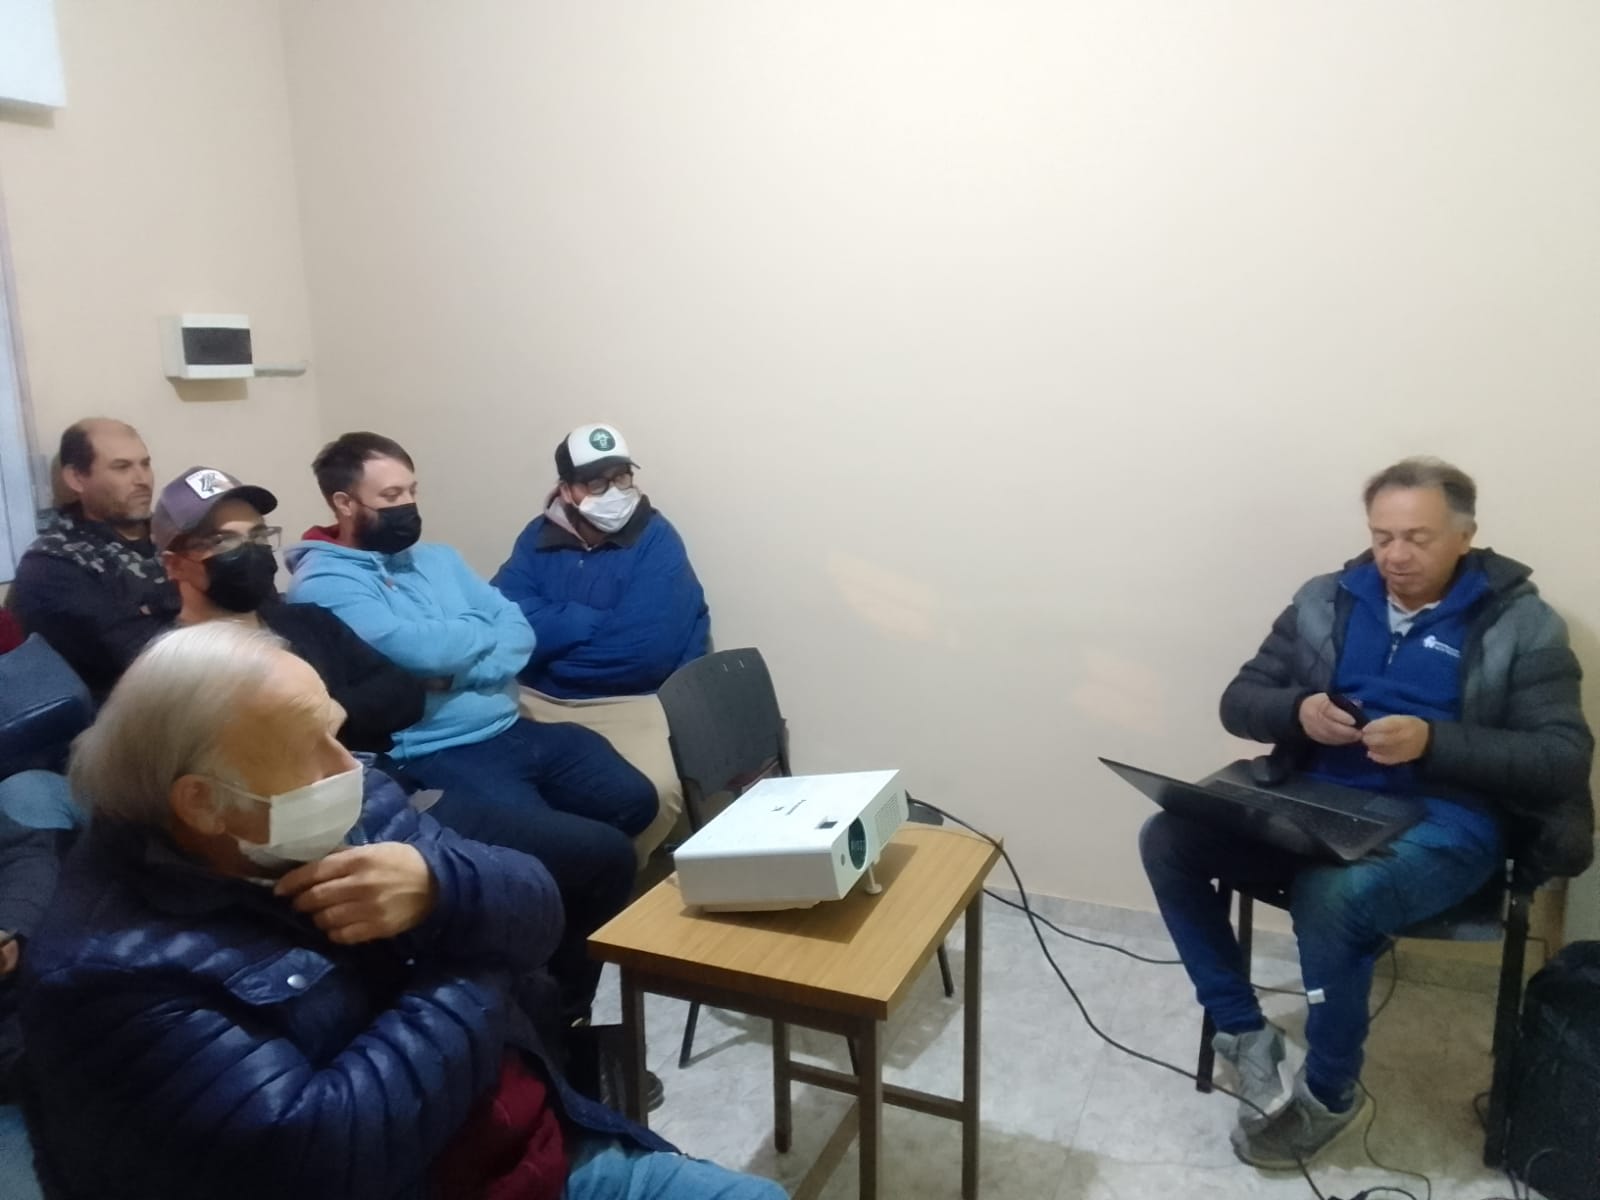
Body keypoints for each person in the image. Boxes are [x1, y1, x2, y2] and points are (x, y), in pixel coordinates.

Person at [17, 623, 786, 1200]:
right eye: (310, 747)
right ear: (204, 803)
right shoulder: (110, 977)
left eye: (337, 732)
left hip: (545, 1149)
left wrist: (440, 888)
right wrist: (474, 947)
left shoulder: (344, 806)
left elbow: (536, 904)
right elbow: (333, 1154)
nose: (348, 768)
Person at [1140, 457, 1594, 1170]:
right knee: (1169, 835)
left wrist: (1434, 741)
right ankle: (1243, 1031)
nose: (1395, 555)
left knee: (1333, 893)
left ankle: (1329, 1093)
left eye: (1417, 537)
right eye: (1382, 537)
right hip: (1314, 797)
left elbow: (1560, 757)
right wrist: (1297, 711)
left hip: (1444, 820)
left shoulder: (1522, 623)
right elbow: (1240, 700)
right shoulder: (1326, 599)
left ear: (1466, 535)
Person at [284, 432, 655, 1020]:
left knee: (634, 798)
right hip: (437, 750)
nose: (408, 504)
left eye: (412, 490)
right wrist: (471, 643)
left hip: (511, 725)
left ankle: (550, 934)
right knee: (590, 855)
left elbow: (516, 628)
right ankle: (563, 1006)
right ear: (344, 503)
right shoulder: (325, 583)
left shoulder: (438, 558)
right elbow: (417, 650)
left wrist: (455, 669)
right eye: (390, 495)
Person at [494, 424, 710, 862]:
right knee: (492, 789)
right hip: (534, 701)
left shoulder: (657, 539)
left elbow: (646, 654)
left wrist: (548, 650)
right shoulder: (536, 537)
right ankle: (540, 885)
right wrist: (583, 620)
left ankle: (606, 886)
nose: (613, 491)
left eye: (621, 477)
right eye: (596, 482)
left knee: (657, 794)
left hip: (629, 702)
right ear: (567, 491)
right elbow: (500, 622)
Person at [153, 465, 427, 754]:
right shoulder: (168, 668)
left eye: (258, 535)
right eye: (222, 541)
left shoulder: (308, 622)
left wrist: (336, 710)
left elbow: (404, 691)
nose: (250, 550)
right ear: (175, 564)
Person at [6, 419, 177, 698]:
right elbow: (143, 655)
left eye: (145, 464)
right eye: (122, 467)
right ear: (76, 478)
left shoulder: (175, 535)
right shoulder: (53, 564)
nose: (142, 480)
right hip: (128, 712)